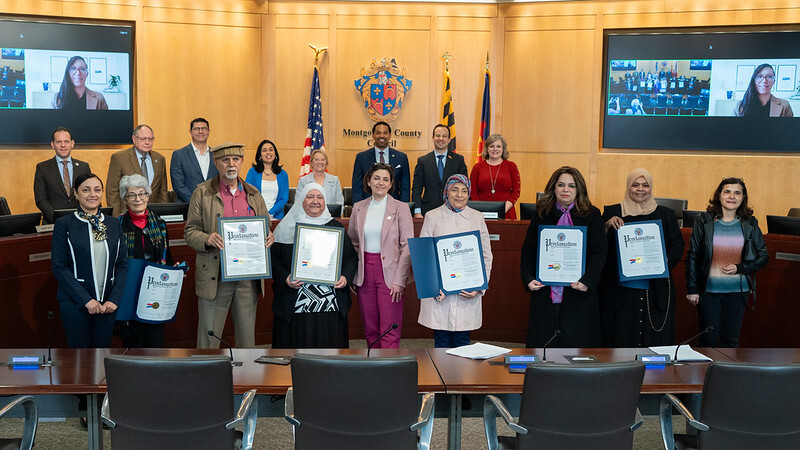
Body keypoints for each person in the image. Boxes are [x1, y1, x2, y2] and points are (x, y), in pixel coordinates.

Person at [184, 143, 274, 349]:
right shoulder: (202, 193)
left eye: (236, 159)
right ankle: (206, 378)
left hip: (247, 278)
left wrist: (269, 236)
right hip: (215, 276)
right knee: (209, 338)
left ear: (242, 162)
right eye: (225, 160)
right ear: (216, 163)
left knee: (247, 339)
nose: (231, 164)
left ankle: (247, 380)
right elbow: (190, 232)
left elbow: (266, 227)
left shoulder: (253, 194)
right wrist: (207, 239)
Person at [520, 166, 606, 348]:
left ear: (579, 189)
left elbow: (599, 253)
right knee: (544, 345)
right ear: (553, 188)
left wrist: (587, 281)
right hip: (544, 290)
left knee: (576, 346)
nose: (566, 190)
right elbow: (528, 250)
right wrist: (528, 279)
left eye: (571, 186)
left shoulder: (592, 215)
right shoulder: (541, 213)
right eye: (561, 185)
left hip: (578, 291)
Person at [600, 169, 684, 347]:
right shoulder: (612, 212)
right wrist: (606, 227)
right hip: (621, 289)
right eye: (635, 184)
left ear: (651, 188)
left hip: (655, 288)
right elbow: (599, 248)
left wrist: (666, 261)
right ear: (628, 187)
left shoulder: (666, 214)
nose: (640, 189)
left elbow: (678, 245)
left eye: (645, 185)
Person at [271, 183, 357, 348]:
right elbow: (274, 259)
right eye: (310, 197)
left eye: (320, 197)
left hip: (329, 301)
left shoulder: (335, 227)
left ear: (325, 202)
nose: (315, 201)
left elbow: (350, 258)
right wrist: (285, 278)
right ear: (301, 201)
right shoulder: (286, 227)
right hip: (296, 299)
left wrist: (345, 277)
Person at [685, 177, 769, 348]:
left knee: (730, 341)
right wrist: (692, 289)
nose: (732, 196)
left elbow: (763, 257)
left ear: (743, 197)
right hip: (708, 291)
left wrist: (740, 268)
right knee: (708, 340)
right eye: (727, 192)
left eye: (737, 193)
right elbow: (692, 255)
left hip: (737, 292)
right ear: (720, 196)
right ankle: (705, 374)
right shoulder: (704, 221)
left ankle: (728, 376)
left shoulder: (750, 223)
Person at [51, 173, 126, 348]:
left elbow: (122, 264)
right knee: (80, 360)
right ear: (76, 194)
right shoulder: (64, 224)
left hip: (107, 304)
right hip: (75, 302)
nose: (93, 194)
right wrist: (87, 300)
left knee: (101, 355)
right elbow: (59, 267)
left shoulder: (113, 224)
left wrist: (114, 299)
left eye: (97, 190)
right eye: (86, 190)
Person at [418, 174, 493, 348]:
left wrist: (479, 286)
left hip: (467, 292)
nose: (459, 195)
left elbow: (486, 255)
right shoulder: (432, 216)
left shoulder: (477, 217)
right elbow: (424, 255)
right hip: (441, 295)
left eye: (464, 191)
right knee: (441, 342)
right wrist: (433, 286)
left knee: (463, 342)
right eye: (455, 190)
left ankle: (462, 376)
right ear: (446, 192)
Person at [347, 163, 413, 348]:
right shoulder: (358, 208)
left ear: (391, 184)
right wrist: (354, 273)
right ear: (368, 181)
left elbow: (407, 247)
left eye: (385, 179)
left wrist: (400, 280)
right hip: (365, 272)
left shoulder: (401, 208)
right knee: (370, 326)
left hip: (392, 274)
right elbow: (352, 242)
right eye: (376, 178)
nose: (380, 183)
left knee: (389, 327)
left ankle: (389, 369)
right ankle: (373, 366)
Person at [117, 174, 174, 348]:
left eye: (142, 194)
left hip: (155, 292)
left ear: (148, 196)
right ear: (125, 199)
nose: (138, 199)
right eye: (131, 195)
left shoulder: (159, 224)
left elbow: (167, 256)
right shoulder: (117, 225)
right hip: (129, 293)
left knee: (155, 343)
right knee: (133, 343)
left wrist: (174, 271)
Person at [106, 124, 169, 216]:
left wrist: (163, 214)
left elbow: (162, 190)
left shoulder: (159, 159)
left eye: (150, 139)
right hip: (127, 214)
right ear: (134, 139)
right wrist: (116, 217)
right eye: (143, 139)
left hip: (152, 215)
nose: (147, 142)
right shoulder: (119, 158)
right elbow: (112, 190)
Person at [34, 127, 92, 223]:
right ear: (52, 144)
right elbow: (41, 199)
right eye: (59, 142)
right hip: (53, 222)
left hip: (81, 221)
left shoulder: (83, 167)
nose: (63, 145)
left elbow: (90, 194)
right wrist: (57, 218)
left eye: (66, 141)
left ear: (72, 143)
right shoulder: (42, 167)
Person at [412, 124, 468, 218]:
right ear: (433, 138)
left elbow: (465, 186)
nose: (441, 138)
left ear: (449, 139)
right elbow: (417, 189)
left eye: (444, 136)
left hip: (453, 210)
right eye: (437, 135)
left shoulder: (458, 160)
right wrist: (417, 211)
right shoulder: (423, 161)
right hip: (428, 211)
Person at [351, 121, 410, 203]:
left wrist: (404, 209)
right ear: (373, 135)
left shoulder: (401, 158)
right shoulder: (361, 158)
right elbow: (357, 187)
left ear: (390, 135)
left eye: (385, 133)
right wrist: (358, 209)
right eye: (378, 133)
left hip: (393, 206)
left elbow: (405, 188)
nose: (382, 136)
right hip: (368, 205)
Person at [469, 134, 521, 219]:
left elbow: (516, 192)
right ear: (487, 148)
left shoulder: (511, 166)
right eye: (492, 146)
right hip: (480, 214)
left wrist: (502, 209)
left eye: (498, 146)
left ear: (503, 149)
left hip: (506, 212)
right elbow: (473, 192)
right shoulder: (477, 167)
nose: (495, 149)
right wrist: (480, 210)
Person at [170, 118, 219, 203]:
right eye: (196, 129)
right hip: (188, 206)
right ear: (190, 132)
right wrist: (197, 202)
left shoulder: (216, 155)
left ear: (208, 131)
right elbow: (178, 186)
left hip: (213, 206)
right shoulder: (178, 155)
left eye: (204, 128)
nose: (200, 131)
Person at [245, 139, 289, 219]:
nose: (268, 152)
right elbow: (247, 195)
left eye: (271, 149)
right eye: (264, 150)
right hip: (256, 216)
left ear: (275, 154)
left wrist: (270, 213)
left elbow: (284, 199)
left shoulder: (283, 174)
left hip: (276, 217)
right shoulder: (252, 172)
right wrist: (261, 214)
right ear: (260, 155)